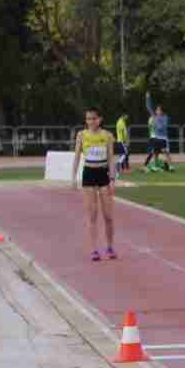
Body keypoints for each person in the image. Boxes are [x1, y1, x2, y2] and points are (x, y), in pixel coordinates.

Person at [74, 109, 118, 261]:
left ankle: (110, 246)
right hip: (89, 175)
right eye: (88, 119)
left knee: (108, 216)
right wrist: (73, 178)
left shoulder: (107, 136)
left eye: (93, 119)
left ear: (100, 119)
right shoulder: (81, 135)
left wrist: (112, 179)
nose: (91, 122)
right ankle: (94, 249)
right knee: (92, 216)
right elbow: (77, 156)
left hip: (103, 175)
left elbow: (111, 158)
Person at [145, 106, 171, 171]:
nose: (157, 111)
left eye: (158, 110)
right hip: (156, 138)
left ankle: (169, 166)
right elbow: (149, 108)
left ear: (161, 111)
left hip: (163, 138)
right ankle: (155, 166)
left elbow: (163, 126)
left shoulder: (164, 117)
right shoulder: (154, 117)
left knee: (165, 152)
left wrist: (157, 124)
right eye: (157, 110)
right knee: (155, 152)